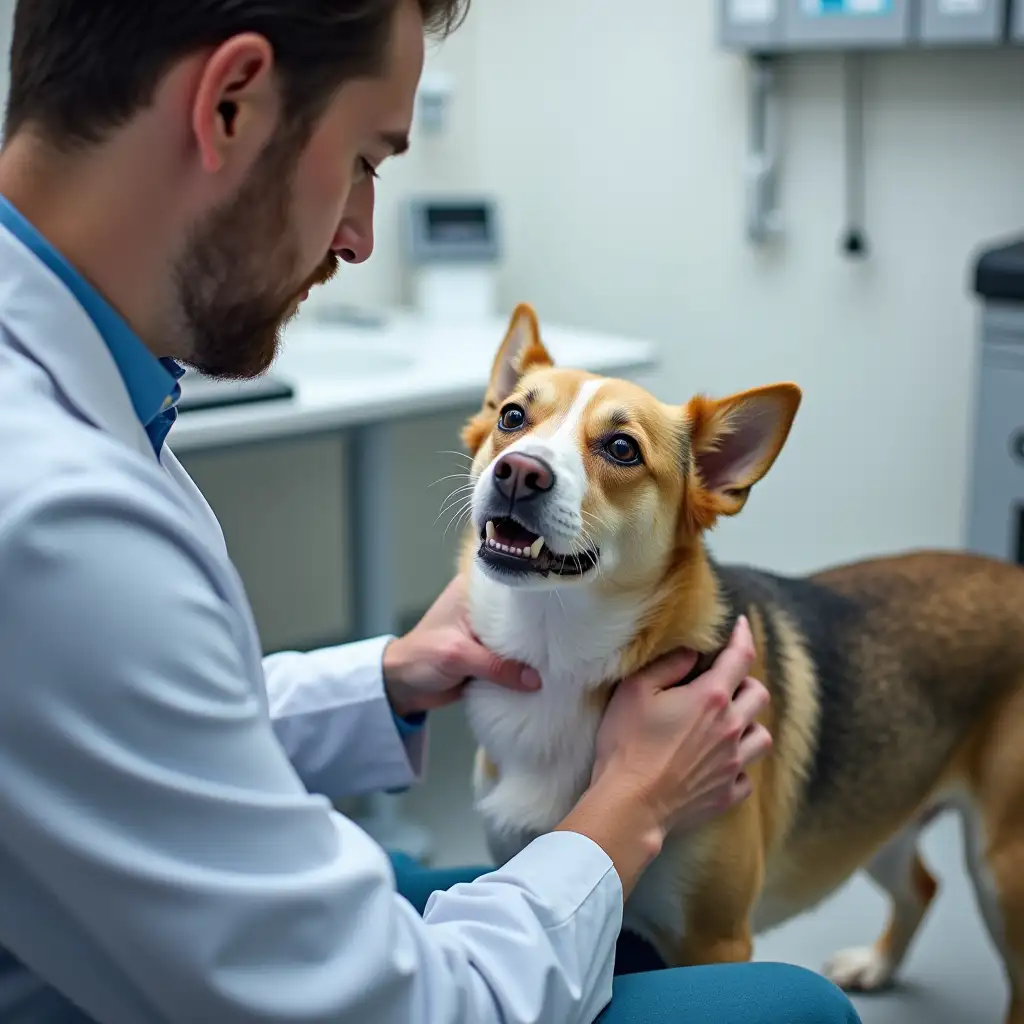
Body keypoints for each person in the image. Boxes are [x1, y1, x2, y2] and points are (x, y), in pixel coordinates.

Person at [0, 1, 862, 1022]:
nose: (363, 236)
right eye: (368, 159)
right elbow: (407, 1008)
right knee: (791, 1009)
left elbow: (126, 736)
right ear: (230, 103)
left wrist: (386, 675)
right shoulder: (61, 519)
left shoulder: (76, 409)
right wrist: (631, 797)